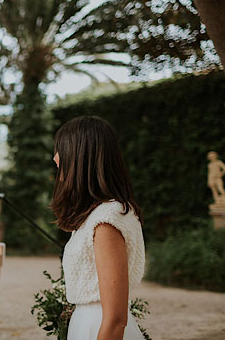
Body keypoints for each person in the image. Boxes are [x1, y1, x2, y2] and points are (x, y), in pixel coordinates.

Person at [53, 116, 146, 340]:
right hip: (86, 325)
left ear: (80, 156)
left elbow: (115, 318)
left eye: (60, 149)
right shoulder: (96, 214)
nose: (55, 157)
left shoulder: (106, 220)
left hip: (100, 329)